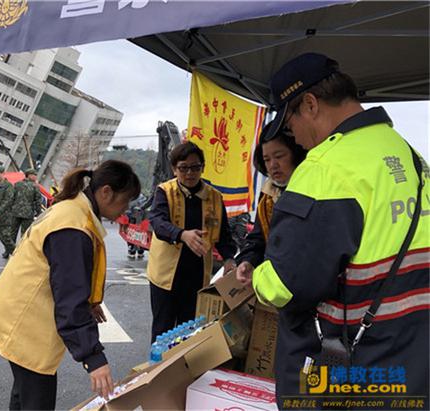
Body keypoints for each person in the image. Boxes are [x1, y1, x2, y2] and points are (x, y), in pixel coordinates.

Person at [236, 53, 429, 409]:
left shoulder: (326, 169)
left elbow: (285, 285)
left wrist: (258, 276)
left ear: (310, 103)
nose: (292, 132)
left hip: (350, 374)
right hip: (413, 364)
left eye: (290, 119)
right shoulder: (413, 158)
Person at [0, 160, 141, 410]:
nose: (125, 208)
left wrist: (89, 304)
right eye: (125, 200)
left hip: (16, 313)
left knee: (24, 395)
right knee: (36, 400)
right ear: (106, 192)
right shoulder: (74, 226)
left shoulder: (73, 210)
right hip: (26, 323)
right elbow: (69, 296)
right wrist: (93, 357)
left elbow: (70, 283)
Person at [147, 142, 236, 343]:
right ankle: (158, 371)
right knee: (163, 330)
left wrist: (230, 258)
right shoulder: (164, 192)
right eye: (183, 168)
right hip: (166, 277)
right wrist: (182, 234)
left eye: (195, 167)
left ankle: (183, 373)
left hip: (197, 277)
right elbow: (158, 223)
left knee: (189, 332)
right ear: (174, 169)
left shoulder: (214, 197)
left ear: (203, 167)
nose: (189, 173)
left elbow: (223, 234)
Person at [235, 121, 306, 275]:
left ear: (296, 153)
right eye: (267, 159)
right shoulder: (268, 195)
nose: (273, 165)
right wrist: (248, 261)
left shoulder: (310, 191)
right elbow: (258, 238)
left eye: (279, 156)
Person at [10, 168, 42, 242]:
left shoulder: (17, 184)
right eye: (34, 175)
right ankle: (21, 251)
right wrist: (39, 212)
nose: (36, 177)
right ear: (29, 175)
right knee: (25, 234)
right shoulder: (35, 186)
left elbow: (11, 197)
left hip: (15, 212)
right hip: (28, 214)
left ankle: (9, 250)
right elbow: (38, 201)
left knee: (12, 233)